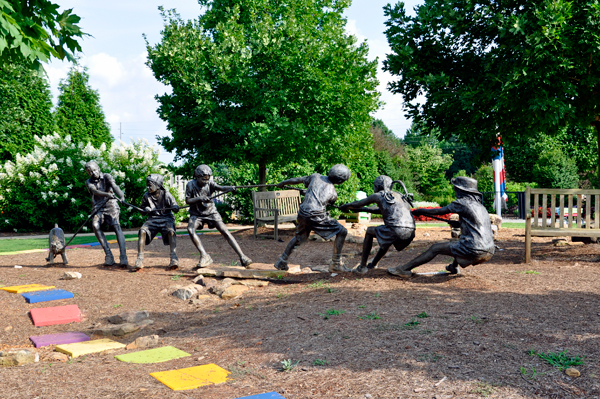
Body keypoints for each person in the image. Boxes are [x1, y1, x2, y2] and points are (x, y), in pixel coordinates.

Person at [388, 176, 495, 277]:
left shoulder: (461, 203)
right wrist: (458, 224)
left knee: (435, 248)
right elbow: (478, 226)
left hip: (474, 249)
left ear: (461, 190)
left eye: (455, 188)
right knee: (456, 243)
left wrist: (419, 211)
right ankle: (454, 267)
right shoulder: (481, 207)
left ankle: (404, 269)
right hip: (489, 250)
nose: (454, 191)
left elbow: (438, 211)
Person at [274, 164, 351, 272]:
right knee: (342, 231)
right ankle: (336, 263)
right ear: (340, 181)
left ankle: (282, 260)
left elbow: (298, 180)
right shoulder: (333, 193)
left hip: (303, 213)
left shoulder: (315, 177)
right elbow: (326, 200)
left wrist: (283, 183)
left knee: (299, 237)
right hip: (316, 215)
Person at [339, 175, 415, 274]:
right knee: (386, 238)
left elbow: (358, 203)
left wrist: (346, 206)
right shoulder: (399, 196)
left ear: (379, 185)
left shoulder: (379, 195)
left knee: (370, 231)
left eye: (374, 185)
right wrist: (361, 209)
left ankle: (362, 267)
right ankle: (373, 264)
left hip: (396, 229)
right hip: (410, 232)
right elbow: (379, 210)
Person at [186, 165, 253, 269]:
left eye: (207, 179)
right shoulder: (190, 185)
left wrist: (230, 188)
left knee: (225, 231)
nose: (206, 182)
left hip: (211, 212)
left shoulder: (210, 184)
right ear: (197, 176)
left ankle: (243, 257)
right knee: (190, 229)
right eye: (203, 179)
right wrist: (200, 198)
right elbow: (188, 200)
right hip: (197, 214)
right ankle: (204, 255)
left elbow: (221, 188)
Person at [132, 174, 180, 271]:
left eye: (150, 185)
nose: (147, 187)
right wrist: (145, 209)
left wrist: (175, 207)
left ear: (157, 185)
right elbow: (141, 211)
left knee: (171, 232)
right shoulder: (146, 196)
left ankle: (173, 257)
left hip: (166, 219)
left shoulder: (166, 194)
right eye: (147, 185)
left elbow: (175, 207)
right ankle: (139, 258)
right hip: (152, 220)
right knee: (142, 231)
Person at [84, 161, 128, 267]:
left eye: (94, 170)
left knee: (116, 226)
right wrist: (107, 194)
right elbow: (95, 191)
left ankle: (123, 256)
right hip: (98, 207)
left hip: (111, 205)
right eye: (90, 172)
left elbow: (115, 186)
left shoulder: (107, 176)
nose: (93, 173)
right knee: (95, 225)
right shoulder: (88, 182)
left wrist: (121, 196)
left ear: (98, 168)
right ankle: (109, 255)